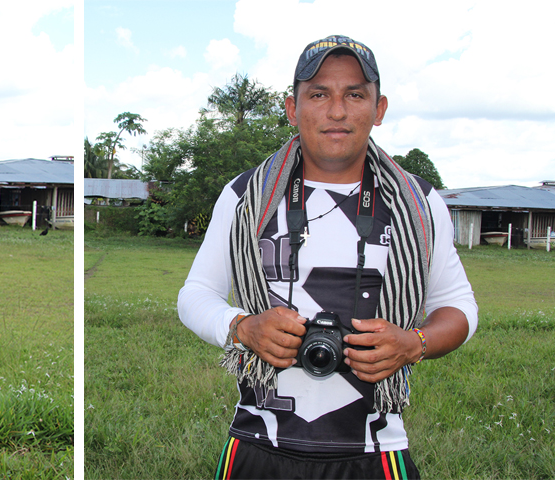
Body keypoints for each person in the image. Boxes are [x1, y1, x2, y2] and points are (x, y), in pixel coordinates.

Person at [177, 35, 477, 479]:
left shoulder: (419, 202)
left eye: (355, 94)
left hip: (377, 450)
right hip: (258, 443)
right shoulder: (244, 196)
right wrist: (243, 328)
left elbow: (459, 307)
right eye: (318, 94)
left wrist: (414, 343)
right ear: (292, 108)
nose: (337, 111)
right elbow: (196, 294)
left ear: (379, 109)